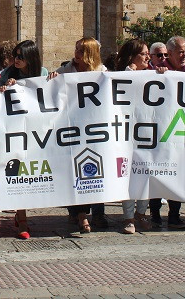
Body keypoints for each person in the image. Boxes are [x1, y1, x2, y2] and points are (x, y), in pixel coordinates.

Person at [51, 37, 108, 232]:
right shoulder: (67, 70)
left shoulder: (102, 73)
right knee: (75, 168)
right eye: (76, 49)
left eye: (80, 50)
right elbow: (50, 83)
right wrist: (51, 78)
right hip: (72, 127)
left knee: (97, 169)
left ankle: (97, 212)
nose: (75, 53)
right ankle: (81, 214)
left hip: (95, 128)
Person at [0, 40, 48, 239]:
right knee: (19, 174)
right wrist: (4, 88)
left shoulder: (43, 74)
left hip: (38, 132)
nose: (16, 59)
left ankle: (22, 216)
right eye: (15, 55)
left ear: (31, 57)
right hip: (16, 131)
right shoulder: (7, 74)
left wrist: (54, 79)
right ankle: (23, 219)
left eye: (20, 56)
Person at [146, 35, 185, 230]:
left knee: (178, 173)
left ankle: (174, 214)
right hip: (158, 130)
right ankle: (154, 213)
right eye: (181, 52)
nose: (184, 56)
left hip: (179, 129)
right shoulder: (155, 70)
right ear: (170, 53)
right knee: (158, 172)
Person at [113, 38, 153, 233]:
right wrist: (130, 71)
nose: (148, 57)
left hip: (146, 132)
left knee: (145, 173)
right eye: (143, 54)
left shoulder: (151, 75)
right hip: (125, 133)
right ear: (132, 57)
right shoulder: (119, 75)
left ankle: (142, 213)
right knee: (127, 174)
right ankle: (129, 217)